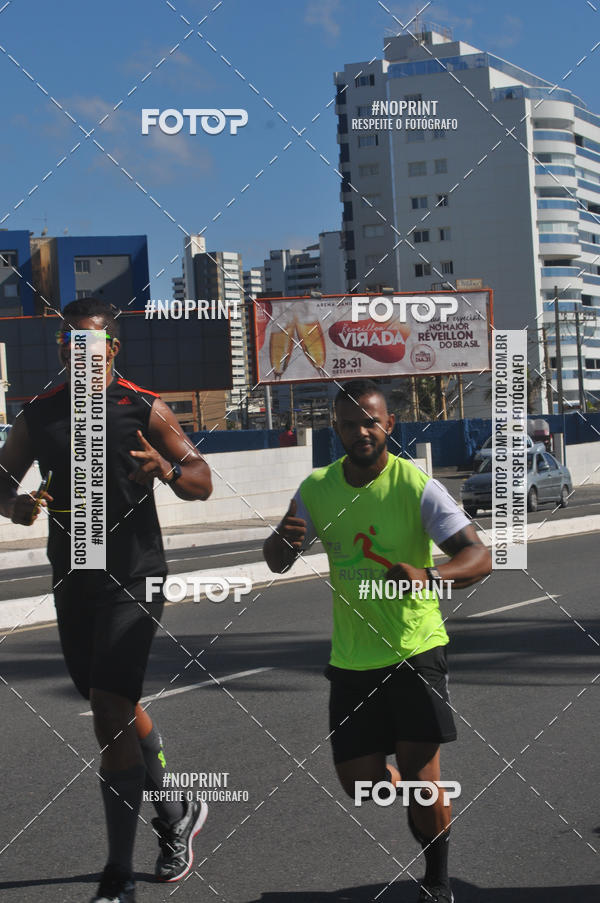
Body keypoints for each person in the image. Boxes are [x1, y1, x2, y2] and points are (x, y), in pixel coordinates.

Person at [0, 298, 213, 903]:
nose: (83, 354)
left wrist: (167, 473)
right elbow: (1, 478)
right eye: (72, 345)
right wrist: (12, 505)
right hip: (74, 579)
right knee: (110, 702)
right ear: (63, 351)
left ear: (113, 350)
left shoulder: (143, 408)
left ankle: (118, 873)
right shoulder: (39, 414)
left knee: (108, 708)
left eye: (94, 345)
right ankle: (176, 808)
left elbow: (201, 479)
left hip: (136, 575)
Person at [263, 378, 491, 903]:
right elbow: (277, 559)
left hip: (415, 650)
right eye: (349, 423)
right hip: (351, 661)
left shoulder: (416, 486)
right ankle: (406, 785)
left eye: (370, 420)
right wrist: (282, 542)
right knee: (358, 782)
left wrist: (432, 575)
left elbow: (479, 557)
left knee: (421, 776)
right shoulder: (316, 488)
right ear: (336, 429)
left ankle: (436, 880)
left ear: (389, 424)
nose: (361, 431)